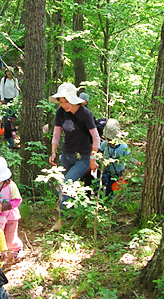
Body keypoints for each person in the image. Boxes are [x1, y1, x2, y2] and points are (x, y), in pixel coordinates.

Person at [48, 82, 101, 231]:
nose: (64, 105)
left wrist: (92, 159)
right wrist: (53, 151)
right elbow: (56, 134)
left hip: (82, 157)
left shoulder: (85, 113)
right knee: (62, 187)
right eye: (61, 102)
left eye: (67, 101)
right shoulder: (60, 113)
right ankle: (69, 210)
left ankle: (62, 221)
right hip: (66, 154)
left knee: (66, 186)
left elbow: (96, 139)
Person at [99, 119, 132, 197]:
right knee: (107, 186)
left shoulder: (123, 146)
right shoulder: (104, 145)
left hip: (118, 171)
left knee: (115, 186)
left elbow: (129, 157)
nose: (108, 140)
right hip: (107, 170)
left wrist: (136, 162)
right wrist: (100, 161)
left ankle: (112, 199)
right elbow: (99, 154)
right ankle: (106, 198)